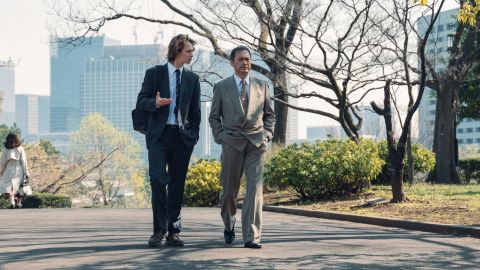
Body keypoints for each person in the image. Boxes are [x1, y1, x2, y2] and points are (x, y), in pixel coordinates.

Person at [136, 34, 201, 247]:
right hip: (159, 136)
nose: (192, 54)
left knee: (177, 185)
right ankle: (159, 229)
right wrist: (154, 103)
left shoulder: (193, 79)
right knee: (157, 179)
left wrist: (193, 136)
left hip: (182, 137)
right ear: (177, 51)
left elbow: (195, 113)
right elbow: (141, 102)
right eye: (189, 51)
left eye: (192, 50)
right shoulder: (154, 74)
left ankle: (173, 231)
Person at [209, 46, 275, 249]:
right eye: (241, 59)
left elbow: (270, 115)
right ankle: (229, 225)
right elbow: (214, 117)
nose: (245, 63)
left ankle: (251, 236)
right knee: (229, 193)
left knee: (254, 191)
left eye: (248, 59)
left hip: (256, 144)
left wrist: (267, 135)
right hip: (231, 144)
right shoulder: (221, 87)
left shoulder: (262, 85)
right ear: (232, 62)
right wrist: (221, 137)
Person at [0, 133, 30, 209]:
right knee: (20, 186)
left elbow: (2, 163)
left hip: (8, 169)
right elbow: (23, 161)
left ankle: (12, 202)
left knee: (9, 186)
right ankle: (19, 203)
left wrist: (1, 172)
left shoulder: (4, 149)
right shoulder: (20, 148)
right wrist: (26, 172)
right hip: (19, 169)